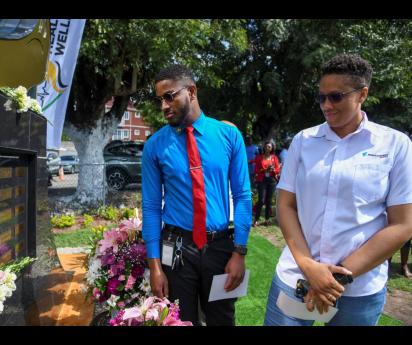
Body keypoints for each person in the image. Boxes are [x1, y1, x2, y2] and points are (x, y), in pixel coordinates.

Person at [263, 53, 412, 326]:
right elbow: (285, 206)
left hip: (359, 290)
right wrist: (309, 266)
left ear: (362, 94)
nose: (326, 105)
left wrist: (335, 278)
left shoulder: (395, 145)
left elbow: (402, 225)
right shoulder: (304, 141)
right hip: (296, 277)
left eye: (336, 97)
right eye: (321, 97)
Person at [141, 64, 252, 326]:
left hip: (221, 247)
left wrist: (239, 252)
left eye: (170, 96)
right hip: (176, 248)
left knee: (222, 320)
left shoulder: (228, 135)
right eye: (160, 100)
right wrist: (155, 266)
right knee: (180, 320)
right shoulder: (154, 146)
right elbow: (151, 207)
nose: (164, 106)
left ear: (191, 91)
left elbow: (243, 196)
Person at [253, 141, 280, 226]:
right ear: (264, 147)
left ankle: (266, 219)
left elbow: (278, 169)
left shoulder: (274, 158)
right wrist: (264, 170)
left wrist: (273, 170)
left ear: (272, 148)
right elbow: (256, 170)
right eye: (267, 146)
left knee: (268, 201)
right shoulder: (259, 157)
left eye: (270, 147)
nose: (268, 148)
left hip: (272, 181)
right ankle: (256, 219)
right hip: (262, 180)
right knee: (261, 200)